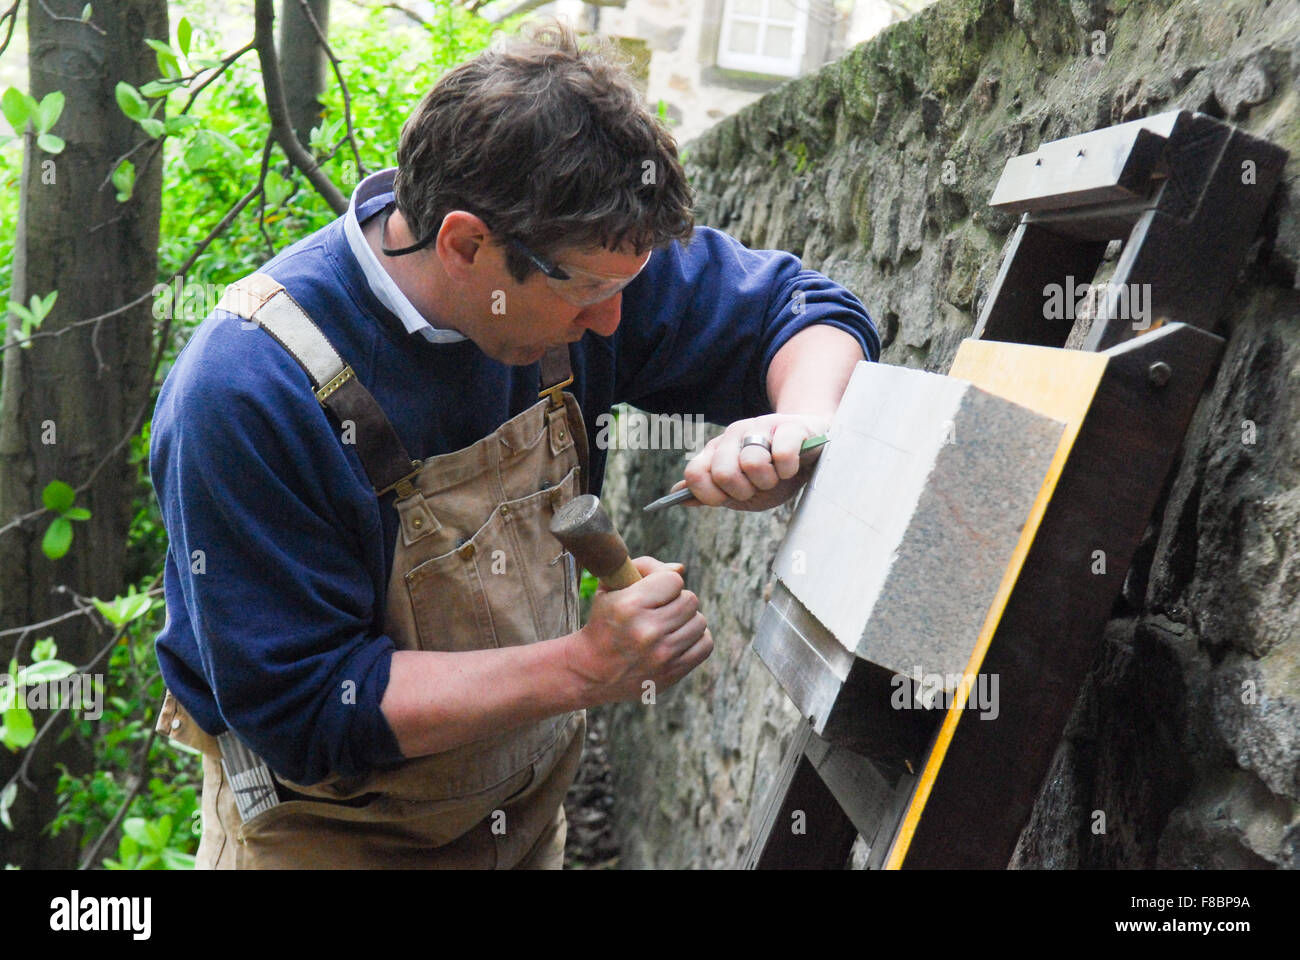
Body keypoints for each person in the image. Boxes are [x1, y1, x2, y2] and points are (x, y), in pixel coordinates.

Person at [149, 19, 879, 869]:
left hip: (524, 818)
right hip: (334, 842)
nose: (614, 321)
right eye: (592, 293)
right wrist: (581, 668)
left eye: (626, 289)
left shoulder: (582, 256)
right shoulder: (248, 391)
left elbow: (802, 310)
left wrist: (800, 420)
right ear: (465, 244)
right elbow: (309, 705)